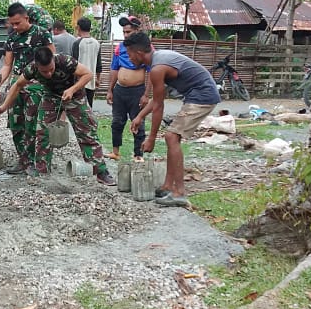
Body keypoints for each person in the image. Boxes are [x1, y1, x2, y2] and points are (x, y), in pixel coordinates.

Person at [0, 47, 116, 186]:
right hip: (51, 97)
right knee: (42, 133)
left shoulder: (65, 61)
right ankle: (42, 172)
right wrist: (4, 106)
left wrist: (72, 89)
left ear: (53, 60)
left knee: (87, 132)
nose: (48, 73)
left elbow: (87, 74)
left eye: (51, 69)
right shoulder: (31, 69)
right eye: (44, 71)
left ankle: (101, 172)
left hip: (75, 96)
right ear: (37, 66)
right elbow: (17, 86)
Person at [127, 32, 221, 207]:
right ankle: (168, 186)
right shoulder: (159, 61)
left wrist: (151, 138)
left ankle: (179, 193)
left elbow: (159, 106)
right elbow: (156, 99)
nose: (129, 58)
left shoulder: (157, 68)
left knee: (171, 137)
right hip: (198, 94)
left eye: (129, 54)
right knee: (172, 137)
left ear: (138, 53)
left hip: (203, 95)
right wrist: (140, 116)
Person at [0, 2, 56, 175]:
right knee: (15, 124)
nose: (14, 27)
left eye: (17, 23)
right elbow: (7, 65)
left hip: (36, 86)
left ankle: (38, 163)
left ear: (26, 18)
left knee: (33, 125)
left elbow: (53, 59)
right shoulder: (12, 38)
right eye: (12, 24)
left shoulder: (42, 34)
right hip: (16, 86)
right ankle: (23, 160)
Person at [106, 15, 150, 161]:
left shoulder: (145, 49)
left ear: (137, 31)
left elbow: (151, 72)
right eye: (124, 32)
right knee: (117, 121)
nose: (125, 35)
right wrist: (110, 90)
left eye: (128, 32)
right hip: (120, 90)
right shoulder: (120, 48)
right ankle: (115, 152)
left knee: (138, 122)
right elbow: (114, 69)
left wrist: (146, 94)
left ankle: (138, 154)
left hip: (137, 91)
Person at [71, 17, 102, 107]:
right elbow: (99, 65)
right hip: (91, 81)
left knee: (78, 109)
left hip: (79, 82)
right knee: (89, 109)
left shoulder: (77, 43)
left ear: (78, 27)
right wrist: (98, 79)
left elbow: (73, 64)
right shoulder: (96, 43)